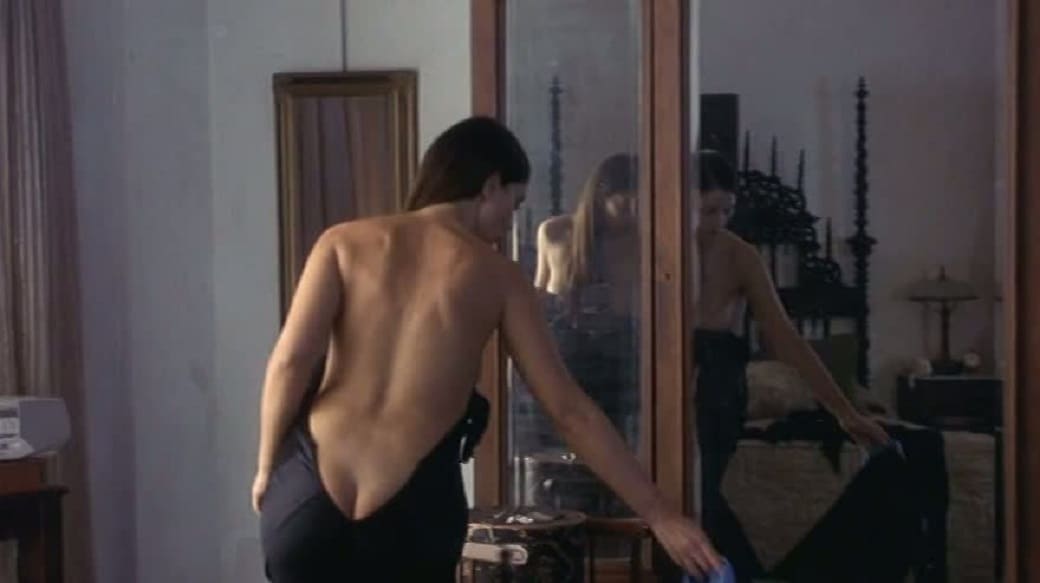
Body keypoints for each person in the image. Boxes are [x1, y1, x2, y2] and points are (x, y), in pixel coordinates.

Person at [251, 116, 723, 582]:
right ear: (490, 185)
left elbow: (291, 362)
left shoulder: (341, 242)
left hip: (307, 499)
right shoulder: (499, 276)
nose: (508, 225)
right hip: (409, 509)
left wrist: (267, 468)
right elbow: (569, 411)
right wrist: (660, 514)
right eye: (514, 205)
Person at [691, 150, 890, 580]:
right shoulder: (654, 250)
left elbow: (786, 339)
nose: (718, 221)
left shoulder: (740, 255)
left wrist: (845, 412)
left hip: (717, 386)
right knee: (688, 497)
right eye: (707, 211)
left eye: (726, 211)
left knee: (700, 492)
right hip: (668, 381)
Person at [532, 153, 640, 445]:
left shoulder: (644, 240)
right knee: (557, 438)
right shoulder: (554, 232)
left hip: (620, 354)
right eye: (625, 204)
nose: (633, 213)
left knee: (614, 439)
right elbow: (539, 295)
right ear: (601, 196)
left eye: (640, 206)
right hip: (567, 349)